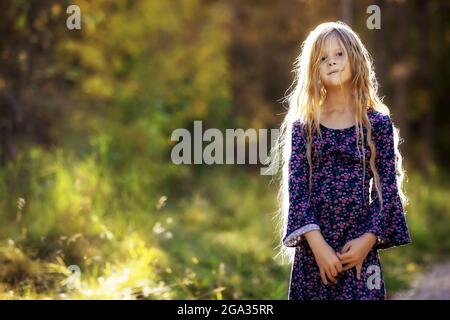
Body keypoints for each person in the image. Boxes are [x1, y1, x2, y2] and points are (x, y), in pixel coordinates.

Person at [272, 21, 412, 300]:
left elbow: (386, 193)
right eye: (323, 58)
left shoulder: (377, 123)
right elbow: (298, 192)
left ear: (355, 58)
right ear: (313, 69)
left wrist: (367, 240)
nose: (332, 62)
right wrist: (319, 247)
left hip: (359, 251)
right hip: (314, 253)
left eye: (339, 54)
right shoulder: (305, 126)